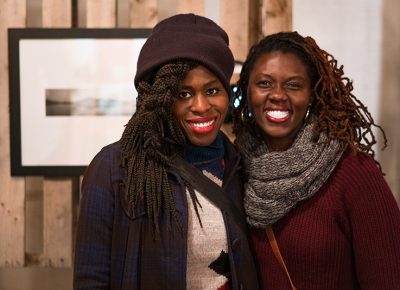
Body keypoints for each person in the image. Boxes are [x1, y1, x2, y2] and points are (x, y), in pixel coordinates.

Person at [73, 13, 259, 290]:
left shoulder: (238, 165)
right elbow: (91, 279)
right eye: (183, 94)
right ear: (158, 99)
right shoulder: (113, 168)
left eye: (211, 90)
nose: (200, 105)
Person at [232, 31, 400, 289]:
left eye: (294, 85)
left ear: (313, 94)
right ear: (247, 90)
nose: (277, 94)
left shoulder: (353, 172)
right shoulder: (236, 168)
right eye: (264, 83)